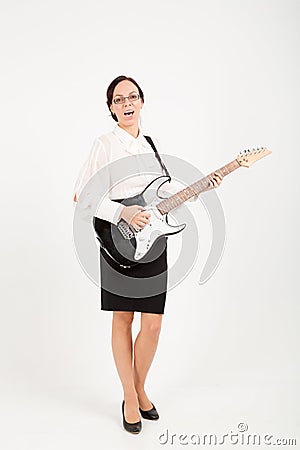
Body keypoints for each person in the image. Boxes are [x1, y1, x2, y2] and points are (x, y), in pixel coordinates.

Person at [73, 75, 223, 434]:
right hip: (117, 236)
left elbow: (163, 191)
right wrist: (122, 213)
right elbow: (82, 193)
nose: (127, 103)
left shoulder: (152, 144)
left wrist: (200, 188)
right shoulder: (104, 144)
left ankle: (140, 388)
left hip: (153, 239)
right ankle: (130, 395)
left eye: (133, 97)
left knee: (153, 322)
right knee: (123, 318)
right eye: (118, 99)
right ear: (111, 108)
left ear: (142, 102)